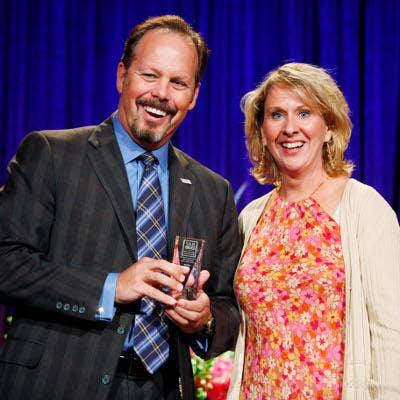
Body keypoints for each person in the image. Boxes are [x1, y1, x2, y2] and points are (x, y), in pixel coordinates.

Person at [0, 15, 241, 400]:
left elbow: (229, 306)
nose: (161, 93)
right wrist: (111, 287)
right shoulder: (52, 155)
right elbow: (7, 263)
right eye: (150, 75)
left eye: (178, 83)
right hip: (57, 382)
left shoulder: (214, 191)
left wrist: (205, 318)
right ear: (122, 75)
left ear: (194, 95)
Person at [228, 63, 400, 399]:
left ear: (330, 127)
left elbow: (390, 334)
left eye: (304, 113)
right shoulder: (251, 218)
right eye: (277, 115)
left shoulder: (365, 209)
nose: (290, 128)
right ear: (263, 132)